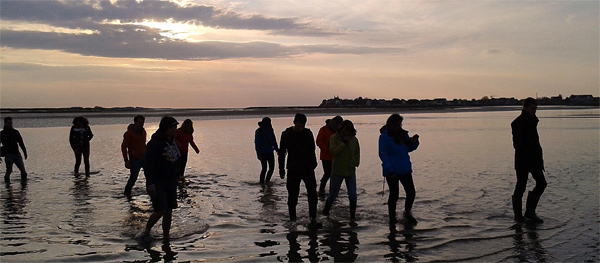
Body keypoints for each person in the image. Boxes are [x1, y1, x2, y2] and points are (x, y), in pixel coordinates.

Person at [140, 116, 181, 243]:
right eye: (174, 128)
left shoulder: (172, 141)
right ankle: (146, 230)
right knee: (161, 209)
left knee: (169, 210)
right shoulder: (154, 144)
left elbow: (176, 160)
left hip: (171, 181)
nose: (176, 130)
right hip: (158, 181)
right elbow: (148, 165)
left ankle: (166, 237)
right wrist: (150, 183)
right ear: (167, 128)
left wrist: (178, 175)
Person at [278, 113, 319, 225]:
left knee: (312, 194)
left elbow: (312, 150)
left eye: (302, 126)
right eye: (298, 126)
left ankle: (313, 219)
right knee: (292, 195)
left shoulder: (308, 133)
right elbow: (282, 153)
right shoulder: (286, 134)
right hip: (293, 169)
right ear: (294, 122)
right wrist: (281, 169)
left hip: (307, 168)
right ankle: (292, 220)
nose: (300, 128)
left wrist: (314, 163)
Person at [379, 114, 420, 225]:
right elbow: (383, 154)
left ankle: (407, 213)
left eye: (400, 124)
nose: (399, 126)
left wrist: (414, 142)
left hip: (405, 168)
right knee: (394, 195)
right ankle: (392, 219)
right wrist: (389, 170)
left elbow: (409, 148)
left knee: (411, 192)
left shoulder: (402, 134)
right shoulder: (384, 137)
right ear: (391, 125)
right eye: (397, 124)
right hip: (392, 170)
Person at [511, 98, 546, 223]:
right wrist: (530, 153)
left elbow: (536, 142)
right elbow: (517, 145)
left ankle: (530, 212)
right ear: (525, 107)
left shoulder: (533, 121)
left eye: (535, 109)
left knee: (542, 183)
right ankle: (518, 216)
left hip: (534, 159)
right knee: (521, 186)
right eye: (532, 108)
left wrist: (538, 158)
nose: (534, 111)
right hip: (523, 160)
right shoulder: (517, 123)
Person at [322, 120, 360, 220]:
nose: (347, 133)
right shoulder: (334, 138)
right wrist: (343, 143)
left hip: (350, 171)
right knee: (333, 195)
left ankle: (352, 216)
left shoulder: (354, 139)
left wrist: (356, 161)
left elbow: (357, 151)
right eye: (346, 130)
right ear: (341, 129)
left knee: (353, 195)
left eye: (349, 131)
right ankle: (325, 213)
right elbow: (333, 151)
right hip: (337, 171)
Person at [316, 116, 343, 195]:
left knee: (334, 175)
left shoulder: (339, 131)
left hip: (336, 156)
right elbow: (318, 141)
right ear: (334, 122)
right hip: (326, 156)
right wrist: (327, 149)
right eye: (338, 124)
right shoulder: (323, 129)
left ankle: (333, 191)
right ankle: (321, 190)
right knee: (327, 174)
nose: (338, 126)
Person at [122, 115, 147, 196]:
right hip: (134, 159)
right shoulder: (129, 133)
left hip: (144, 158)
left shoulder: (144, 132)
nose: (141, 125)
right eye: (140, 123)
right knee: (133, 178)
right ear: (135, 122)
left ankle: (151, 192)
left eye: (143, 123)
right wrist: (126, 160)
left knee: (150, 175)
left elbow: (144, 144)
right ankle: (126, 193)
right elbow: (123, 146)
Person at [0, 117, 28, 183]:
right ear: (5, 123)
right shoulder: (2, 133)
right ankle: (7, 185)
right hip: (8, 154)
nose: (10, 125)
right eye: (9, 123)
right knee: (9, 171)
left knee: (23, 171)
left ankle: (24, 185)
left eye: (11, 123)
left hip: (17, 154)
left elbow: (21, 142)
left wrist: (25, 152)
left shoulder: (15, 132)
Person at [255, 117, 279, 185]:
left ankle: (267, 181)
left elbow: (274, 140)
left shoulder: (271, 130)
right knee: (264, 169)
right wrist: (259, 155)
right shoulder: (259, 132)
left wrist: (277, 150)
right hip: (263, 153)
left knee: (271, 168)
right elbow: (257, 144)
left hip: (270, 152)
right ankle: (261, 183)